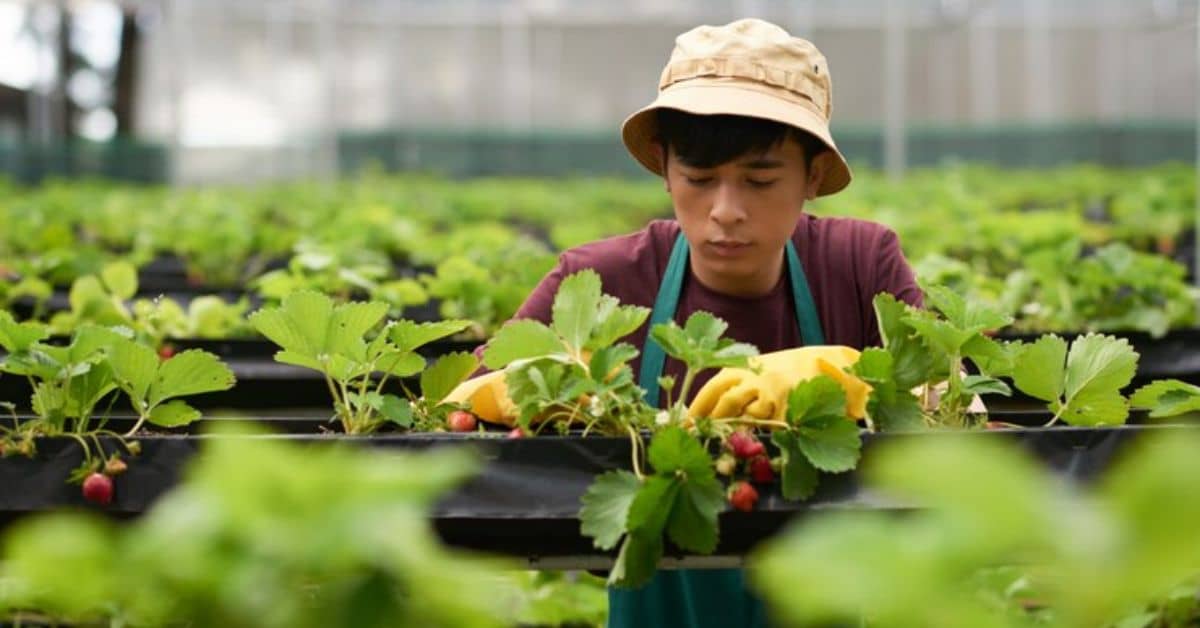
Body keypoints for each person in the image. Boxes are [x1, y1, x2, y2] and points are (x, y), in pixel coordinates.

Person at [454, 17, 921, 628]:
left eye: (759, 180)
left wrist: (848, 372)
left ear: (812, 175)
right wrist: (540, 392)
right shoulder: (600, 283)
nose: (725, 212)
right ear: (663, 166)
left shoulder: (859, 264)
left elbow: (949, 404)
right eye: (699, 180)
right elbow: (459, 418)